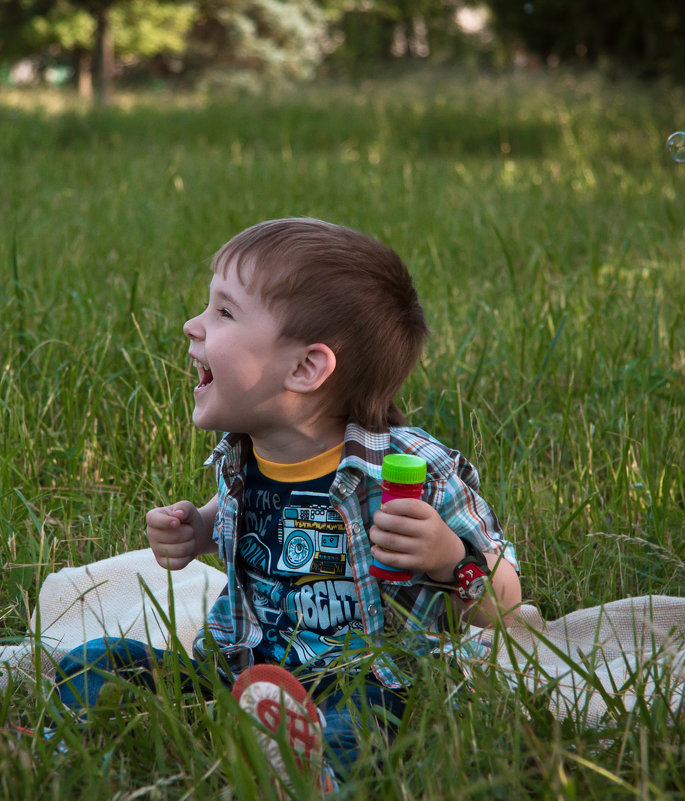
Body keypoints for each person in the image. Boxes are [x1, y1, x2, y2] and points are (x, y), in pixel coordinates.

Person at [56, 218, 521, 790]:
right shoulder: (245, 454)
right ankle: (53, 744)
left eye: (223, 313)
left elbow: (503, 601)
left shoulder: (407, 469)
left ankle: (303, 772)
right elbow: (245, 518)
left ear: (305, 369)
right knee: (103, 657)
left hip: (359, 680)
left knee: (358, 727)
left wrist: (448, 556)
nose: (192, 325)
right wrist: (197, 528)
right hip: (237, 669)